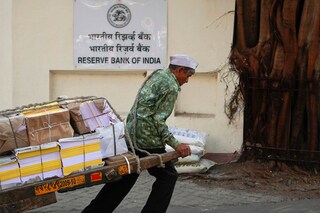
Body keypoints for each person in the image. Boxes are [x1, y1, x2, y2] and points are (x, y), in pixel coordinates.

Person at [82, 54, 198, 213]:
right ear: (179, 70)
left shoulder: (158, 75)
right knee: (168, 176)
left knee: (125, 177)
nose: (187, 80)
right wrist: (176, 144)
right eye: (187, 75)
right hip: (147, 139)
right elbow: (157, 119)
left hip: (132, 134)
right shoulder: (170, 86)